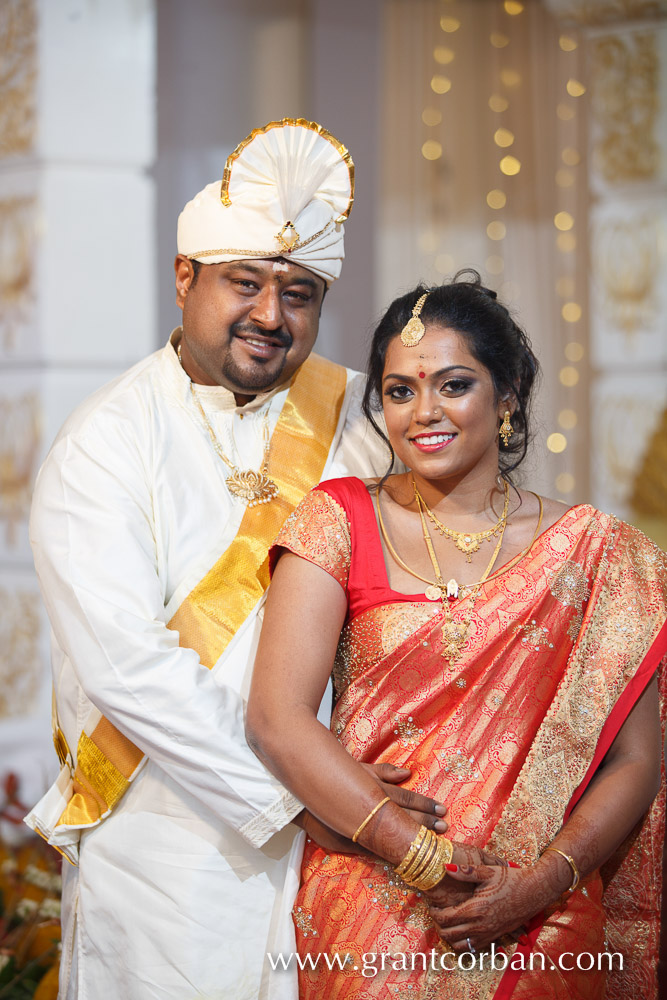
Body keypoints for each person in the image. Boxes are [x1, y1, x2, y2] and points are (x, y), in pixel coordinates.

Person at [24, 119, 445, 1000]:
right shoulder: (106, 441)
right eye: (243, 283)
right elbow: (127, 667)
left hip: (361, 845)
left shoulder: (369, 417)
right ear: (185, 278)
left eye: (299, 293)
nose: (270, 315)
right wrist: (308, 798)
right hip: (169, 849)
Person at [247, 272, 667, 999]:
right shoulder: (337, 518)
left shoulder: (596, 551)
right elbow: (276, 720)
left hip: (542, 913)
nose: (423, 413)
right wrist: (419, 857)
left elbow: (635, 762)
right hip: (369, 901)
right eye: (400, 391)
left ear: (506, 395)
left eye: (453, 384)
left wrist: (536, 884)